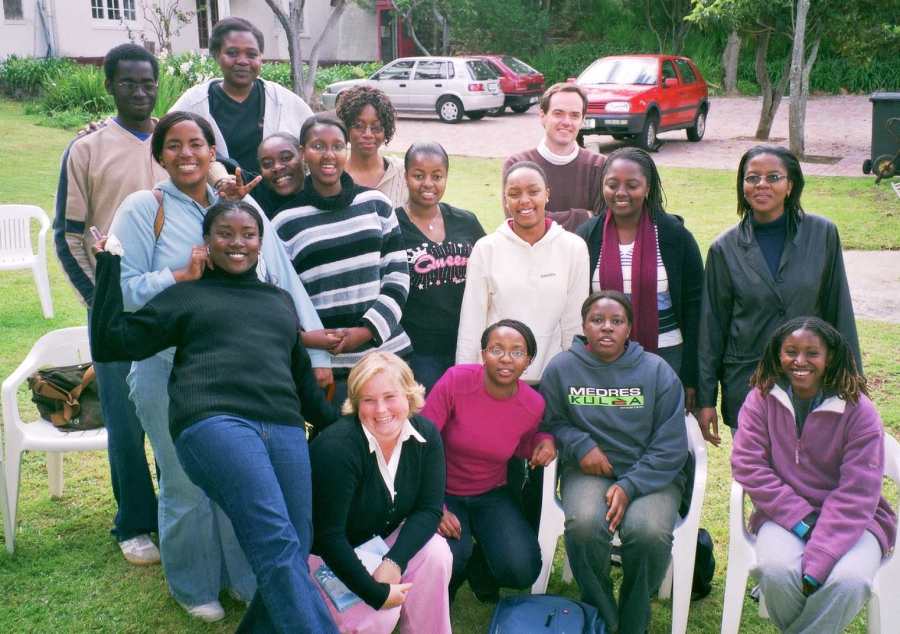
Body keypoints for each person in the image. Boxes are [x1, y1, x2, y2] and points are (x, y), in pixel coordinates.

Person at [108, 110, 330, 621]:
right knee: (184, 483)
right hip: (165, 365)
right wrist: (179, 276)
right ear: (159, 155)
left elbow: (279, 277)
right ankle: (194, 583)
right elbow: (123, 291)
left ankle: (250, 579)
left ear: (214, 152)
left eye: (197, 144)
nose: (186, 153)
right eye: (174, 145)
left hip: (234, 369)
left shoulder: (236, 206)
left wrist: (314, 351)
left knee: (243, 484)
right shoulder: (145, 208)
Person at [52, 43, 164, 566]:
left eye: (148, 83)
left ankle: (178, 514)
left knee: (174, 412)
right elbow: (68, 234)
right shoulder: (87, 149)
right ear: (109, 86)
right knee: (125, 421)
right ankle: (135, 522)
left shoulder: (177, 139)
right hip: (116, 311)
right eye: (128, 83)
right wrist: (100, 301)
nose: (139, 92)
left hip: (174, 305)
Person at [732, 317, 896, 634]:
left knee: (850, 582)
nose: (800, 361)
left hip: (857, 519)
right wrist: (801, 519)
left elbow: (858, 491)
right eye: (790, 351)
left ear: (829, 356)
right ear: (777, 354)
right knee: (776, 573)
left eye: (812, 353)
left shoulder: (859, 410)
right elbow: (747, 464)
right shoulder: (761, 399)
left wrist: (819, 556)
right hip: (782, 514)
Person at [540, 291, 689, 634]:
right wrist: (580, 445)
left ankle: (633, 619)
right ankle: (602, 612)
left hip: (651, 473)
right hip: (589, 471)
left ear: (629, 329)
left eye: (616, 321)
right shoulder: (562, 368)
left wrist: (630, 485)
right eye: (597, 320)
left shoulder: (656, 370)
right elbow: (549, 422)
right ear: (584, 326)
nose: (606, 327)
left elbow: (670, 445)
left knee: (648, 531)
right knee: (585, 525)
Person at [697, 145, 861, 445]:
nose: (761, 184)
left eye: (773, 177)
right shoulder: (724, 248)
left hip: (812, 381)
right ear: (742, 185)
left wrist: (853, 384)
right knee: (756, 470)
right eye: (752, 178)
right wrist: (706, 399)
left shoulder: (822, 234)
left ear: (790, 185)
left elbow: (839, 310)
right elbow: (712, 328)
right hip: (748, 382)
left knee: (812, 467)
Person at [271, 114, 411, 404]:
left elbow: (398, 278)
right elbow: (278, 297)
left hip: (387, 356)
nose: (328, 155)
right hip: (327, 369)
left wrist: (366, 330)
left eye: (337, 146)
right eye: (318, 146)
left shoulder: (376, 204)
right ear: (302, 153)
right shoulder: (285, 222)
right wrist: (308, 341)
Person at [309, 351, 452, 634]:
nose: (381, 410)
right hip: (329, 556)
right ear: (355, 403)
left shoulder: (426, 435)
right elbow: (328, 537)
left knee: (437, 553)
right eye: (368, 400)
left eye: (390, 397)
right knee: (380, 616)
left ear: (408, 394)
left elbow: (429, 509)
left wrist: (394, 562)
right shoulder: (337, 447)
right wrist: (376, 593)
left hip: (380, 543)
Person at [422, 320, 555, 602]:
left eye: (517, 352)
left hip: (490, 493)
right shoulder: (456, 381)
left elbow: (523, 444)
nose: (506, 358)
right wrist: (434, 507)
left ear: (529, 361)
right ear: (483, 354)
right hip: (442, 489)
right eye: (497, 349)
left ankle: (480, 564)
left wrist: (544, 440)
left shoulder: (532, 404)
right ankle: (451, 576)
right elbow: (421, 442)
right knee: (449, 558)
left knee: (522, 569)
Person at [577, 147, 703, 410]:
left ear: (647, 188)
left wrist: (691, 377)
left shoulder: (674, 236)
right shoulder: (587, 236)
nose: (621, 192)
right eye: (612, 184)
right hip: (603, 359)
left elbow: (695, 309)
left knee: (661, 425)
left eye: (632, 185)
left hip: (668, 356)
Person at [456, 160, 588, 385]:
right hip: (498, 380)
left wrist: (573, 379)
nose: (524, 200)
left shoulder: (573, 248)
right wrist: (465, 380)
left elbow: (574, 323)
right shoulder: (486, 249)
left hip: (553, 379)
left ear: (547, 194)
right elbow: (472, 322)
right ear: (505, 200)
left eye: (533, 191)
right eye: (514, 194)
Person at [169, 17, 313, 179]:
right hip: (213, 194)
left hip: (277, 194)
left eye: (251, 54)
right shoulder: (193, 103)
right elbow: (164, 144)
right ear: (216, 55)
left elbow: (315, 142)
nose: (242, 61)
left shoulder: (284, 101)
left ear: (260, 57)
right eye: (232, 53)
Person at [396, 142, 485, 392]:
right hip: (419, 352)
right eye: (418, 175)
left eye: (437, 176)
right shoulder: (392, 225)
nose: (428, 184)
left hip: (466, 344)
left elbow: (490, 271)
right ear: (405, 177)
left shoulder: (466, 221)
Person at [502, 83, 605, 232]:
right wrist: (584, 216)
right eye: (558, 113)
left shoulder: (599, 166)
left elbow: (602, 225)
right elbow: (517, 221)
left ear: (582, 121)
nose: (566, 122)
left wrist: (541, 217)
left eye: (574, 115)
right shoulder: (517, 165)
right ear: (542, 116)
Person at [336, 85, 408, 206]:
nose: (368, 134)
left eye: (376, 127)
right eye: (359, 126)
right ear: (346, 128)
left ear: (386, 131)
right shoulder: (334, 176)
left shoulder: (403, 173)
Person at [253, 132, 305, 219]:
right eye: (267, 163)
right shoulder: (260, 206)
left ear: (302, 154)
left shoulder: (323, 194)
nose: (277, 167)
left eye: (286, 158)